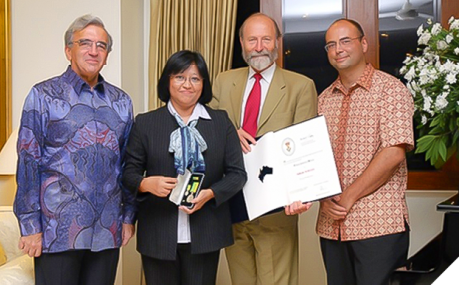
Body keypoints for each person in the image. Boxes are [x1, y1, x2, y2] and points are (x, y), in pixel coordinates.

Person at [13, 15, 135, 285]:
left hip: (107, 228)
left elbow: (128, 164)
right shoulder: (43, 95)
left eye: (101, 46)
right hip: (57, 229)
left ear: (107, 55)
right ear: (69, 50)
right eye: (86, 43)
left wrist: (128, 216)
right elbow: (28, 161)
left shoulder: (122, 102)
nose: (94, 51)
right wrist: (30, 226)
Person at [122, 50, 247, 285]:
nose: (187, 85)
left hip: (206, 231)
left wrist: (210, 194)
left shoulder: (220, 122)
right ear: (167, 81)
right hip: (158, 230)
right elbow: (129, 173)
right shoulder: (146, 123)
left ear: (203, 84)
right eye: (180, 77)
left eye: (195, 78)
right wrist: (146, 183)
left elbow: (237, 174)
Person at [210, 12, 318, 285]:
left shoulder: (301, 86)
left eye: (266, 39)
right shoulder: (223, 81)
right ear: (242, 43)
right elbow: (207, 133)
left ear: (277, 43)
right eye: (252, 40)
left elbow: (305, 150)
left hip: (276, 210)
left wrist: (301, 194)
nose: (259, 46)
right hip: (232, 204)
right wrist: (228, 133)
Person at [316, 18, 414, 285]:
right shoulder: (324, 99)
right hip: (332, 226)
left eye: (346, 41)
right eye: (331, 44)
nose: (338, 49)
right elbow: (316, 159)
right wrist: (322, 197)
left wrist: (348, 197)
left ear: (364, 44)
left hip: (379, 225)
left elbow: (394, 152)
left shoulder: (390, 89)